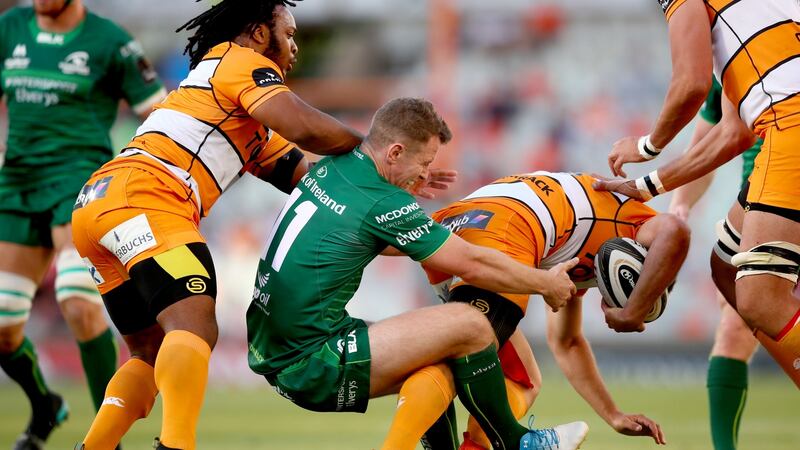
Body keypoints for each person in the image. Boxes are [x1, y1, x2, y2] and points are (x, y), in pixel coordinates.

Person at [71, 1, 364, 449]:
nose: (295, 47)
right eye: (288, 34)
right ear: (259, 34)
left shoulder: (241, 117)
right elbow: (306, 126)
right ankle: (177, 445)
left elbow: (311, 182)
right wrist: (374, 151)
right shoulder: (237, 59)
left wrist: (387, 212)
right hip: (146, 196)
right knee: (195, 325)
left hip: (101, 204)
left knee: (149, 354)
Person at [246, 97, 590, 450]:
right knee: (470, 326)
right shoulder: (383, 201)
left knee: (437, 351)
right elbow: (471, 263)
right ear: (394, 152)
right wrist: (544, 282)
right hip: (313, 361)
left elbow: (372, 234)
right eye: (424, 162)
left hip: (276, 346)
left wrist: (408, 200)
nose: (426, 173)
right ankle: (517, 444)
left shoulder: (336, 167)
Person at [391, 170, 683, 450]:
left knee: (521, 377)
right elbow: (675, 228)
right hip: (510, 226)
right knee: (453, 357)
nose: (611, 309)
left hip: (459, 220)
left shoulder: (593, 250)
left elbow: (566, 342)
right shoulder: (639, 224)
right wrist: (633, 311)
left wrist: (613, 415)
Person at [596, 0, 800, 374]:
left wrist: (646, 147)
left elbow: (691, 83)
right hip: (785, 124)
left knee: (759, 301)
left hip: (792, 127)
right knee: (726, 266)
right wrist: (649, 186)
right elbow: (734, 132)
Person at [0, 0, 166, 448]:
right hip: (16, 183)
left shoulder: (110, 42)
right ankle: (44, 406)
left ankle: (104, 440)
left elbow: (161, 114)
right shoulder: (10, 27)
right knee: (3, 328)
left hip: (80, 185)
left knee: (78, 301)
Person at [669, 77, 800, 450]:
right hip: (759, 212)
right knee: (733, 329)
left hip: (786, 192)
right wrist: (681, 206)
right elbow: (705, 149)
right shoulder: (723, 65)